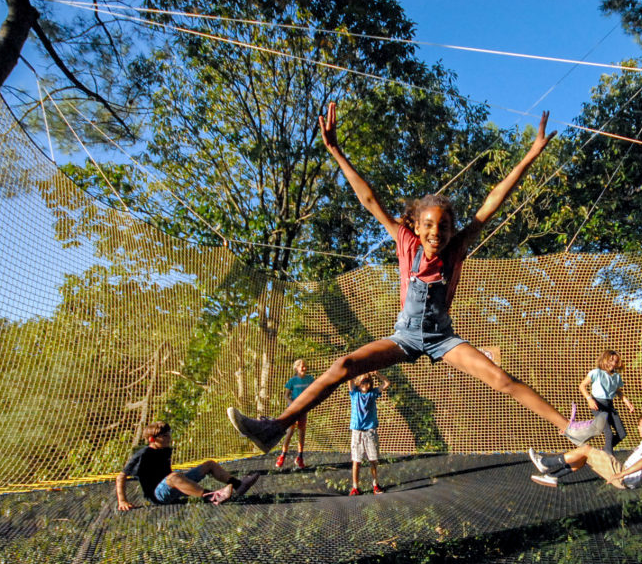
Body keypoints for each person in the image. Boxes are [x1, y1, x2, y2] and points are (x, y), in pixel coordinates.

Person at [226, 102, 604, 454]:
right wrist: (336, 151)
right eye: (428, 225)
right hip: (404, 336)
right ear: (416, 227)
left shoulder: (457, 247)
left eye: (443, 226)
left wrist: (531, 154)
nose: (436, 232)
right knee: (343, 367)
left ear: (452, 229)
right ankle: (273, 428)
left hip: (442, 337)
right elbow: (369, 199)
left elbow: (493, 201)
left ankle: (568, 427)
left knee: (498, 377)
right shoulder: (404, 241)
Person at [116, 421, 260, 509]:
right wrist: (122, 501)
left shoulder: (165, 450)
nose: (169, 438)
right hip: (158, 495)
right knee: (174, 477)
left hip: (174, 486)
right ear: (152, 439)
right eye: (164, 436)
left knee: (209, 464)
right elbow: (121, 476)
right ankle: (213, 497)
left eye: (169, 434)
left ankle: (238, 485)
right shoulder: (143, 455)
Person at [528, 412, 642, 489]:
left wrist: (620, 474)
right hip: (623, 474)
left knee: (586, 449)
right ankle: (553, 477)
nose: (638, 428)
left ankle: (544, 463)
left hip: (623, 476)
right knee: (584, 456)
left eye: (640, 426)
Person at [579, 349, 635, 456]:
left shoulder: (616, 376)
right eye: (611, 360)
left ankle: (604, 450)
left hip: (609, 406)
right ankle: (608, 455)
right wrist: (589, 399)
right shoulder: (596, 372)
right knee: (608, 432)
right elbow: (582, 386)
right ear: (604, 359)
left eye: (615, 361)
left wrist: (628, 403)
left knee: (622, 434)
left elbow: (618, 391)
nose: (613, 364)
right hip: (597, 405)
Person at [348, 371, 390, 495]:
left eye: (367, 382)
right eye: (362, 382)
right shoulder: (354, 394)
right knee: (356, 461)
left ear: (370, 383)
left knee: (373, 460)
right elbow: (349, 379)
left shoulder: (372, 394)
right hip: (357, 431)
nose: (364, 384)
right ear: (358, 383)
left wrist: (377, 374)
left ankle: (375, 484)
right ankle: (355, 487)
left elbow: (387, 383)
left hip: (370, 431)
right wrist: (356, 368)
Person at [279, 358, 315, 469]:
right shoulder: (293, 381)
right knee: (290, 431)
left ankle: (300, 457)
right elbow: (286, 395)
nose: (304, 368)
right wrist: (292, 403)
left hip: (303, 409)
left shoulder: (310, 379)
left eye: (305, 366)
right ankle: (283, 455)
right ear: (296, 368)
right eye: (301, 366)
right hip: (293, 409)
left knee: (302, 432)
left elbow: (315, 391)